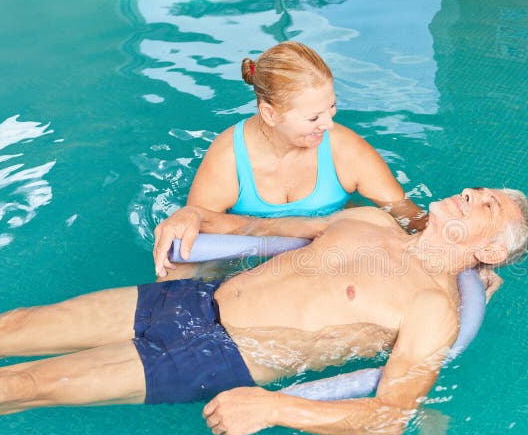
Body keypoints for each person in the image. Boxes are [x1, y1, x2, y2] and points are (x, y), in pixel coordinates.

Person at [0, 188, 528, 435]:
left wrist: (276, 409)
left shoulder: (433, 311)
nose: (470, 192)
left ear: (488, 252)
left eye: (485, 206)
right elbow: (259, 232)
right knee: (12, 325)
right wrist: (193, 217)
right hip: (193, 300)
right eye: (478, 190)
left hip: (223, 357)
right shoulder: (371, 220)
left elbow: (391, 416)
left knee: (25, 383)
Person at [152, 41, 427, 279]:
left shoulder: (345, 149)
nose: (329, 124)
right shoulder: (229, 158)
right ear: (270, 114)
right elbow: (190, 247)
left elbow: (409, 216)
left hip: (331, 258)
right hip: (247, 265)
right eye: (313, 117)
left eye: (331, 106)